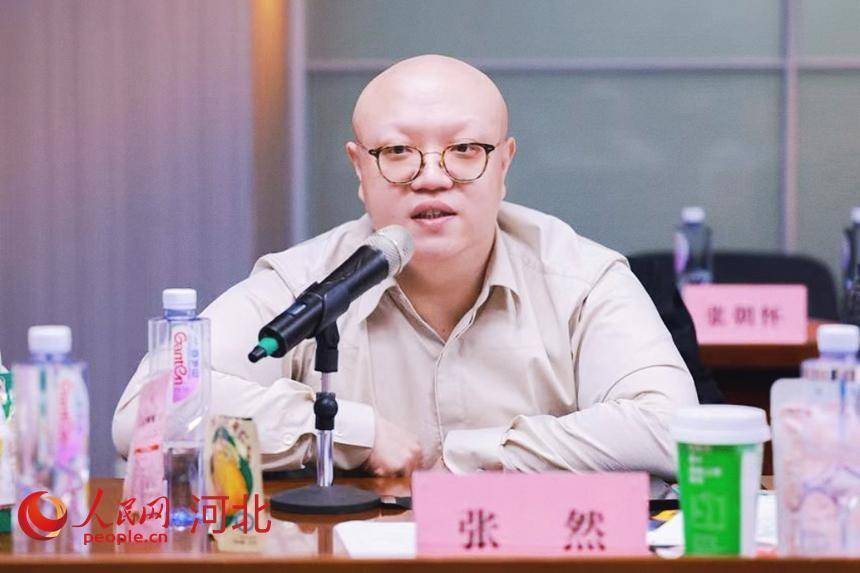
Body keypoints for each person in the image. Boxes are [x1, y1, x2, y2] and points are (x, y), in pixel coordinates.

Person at [113, 55, 698, 493]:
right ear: (359, 169)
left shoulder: (582, 279)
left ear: (504, 165)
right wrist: (354, 432)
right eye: (397, 152)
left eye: (465, 150)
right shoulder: (305, 283)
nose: (432, 177)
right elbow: (148, 410)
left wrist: (477, 454)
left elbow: (673, 428)